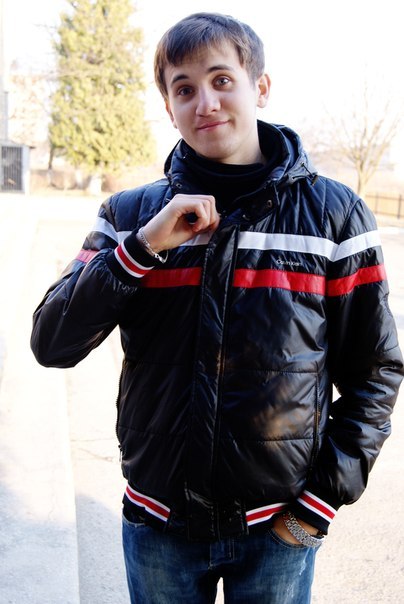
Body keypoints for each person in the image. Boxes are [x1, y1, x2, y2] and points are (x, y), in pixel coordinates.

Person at [31, 12, 403, 604]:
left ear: (261, 87)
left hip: (279, 531)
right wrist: (142, 249)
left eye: (221, 80)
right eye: (184, 88)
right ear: (169, 106)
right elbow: (52, 343)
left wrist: (318, 505)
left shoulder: (335, 216)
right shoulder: (130, 216)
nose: (205, 103)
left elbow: (375, 372)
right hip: (158, 527)